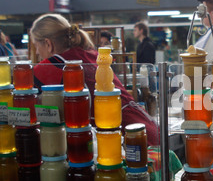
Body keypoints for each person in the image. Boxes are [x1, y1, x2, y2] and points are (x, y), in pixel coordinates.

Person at [30, 13, 159, 146]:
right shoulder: (91, 55)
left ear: (48, 44)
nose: (38, 53)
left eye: (36, 46)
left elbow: (26, 108)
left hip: (126, 142)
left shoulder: (50, 66)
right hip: (147, 131)